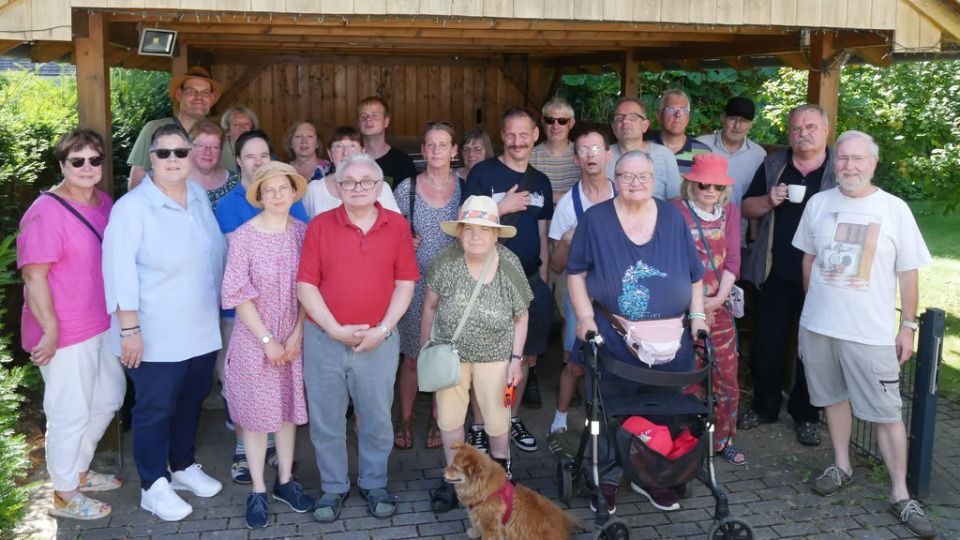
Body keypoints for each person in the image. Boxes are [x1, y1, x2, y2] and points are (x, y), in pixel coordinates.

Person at [794, 130, 935, 539]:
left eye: (858, 159)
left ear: (874, 163)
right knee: (833, 400)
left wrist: (907, 327)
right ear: (834, 162)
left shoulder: (894, 209)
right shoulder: (819, 204)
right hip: (819, 328)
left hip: (870, 333)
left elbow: (908, 272)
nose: (849, 166)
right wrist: (812, 309)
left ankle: (900, 493)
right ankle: (841, 465)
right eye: (842, 159)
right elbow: (809, 259)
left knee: (887, 414)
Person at [567, 150, 708, 514]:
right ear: (616, 178)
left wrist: (697, 315)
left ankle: (655, 477)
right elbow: (576, 273)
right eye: (628, 176)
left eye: (643, 176)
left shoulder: (673, 218)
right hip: (614, 338)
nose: (636, 183)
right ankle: (609, 477)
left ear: (654, 178)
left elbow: (695, 275)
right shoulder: (596, 220)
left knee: (665, 409)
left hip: (671, 341)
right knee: (611, 407)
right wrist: (584, 318)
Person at [102, 123, 226, 521]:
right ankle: (153, 484)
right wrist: (129, 329)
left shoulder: (198, 195)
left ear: (191, 156)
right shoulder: (132, 209)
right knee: (155, 408)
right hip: (154, 332)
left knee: (190, 400)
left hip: (200, 327)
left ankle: (182, 465)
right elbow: (119, 272)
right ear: (150, 159)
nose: (173, 160)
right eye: (163, 153)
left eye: (180, 152)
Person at [297, 153, 418, 523]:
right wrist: (334, 329)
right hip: (324, 341)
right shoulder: (319, 226)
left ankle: (374, 482)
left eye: (367, 181)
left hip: (379, 342)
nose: (358, 188)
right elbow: (305, 285)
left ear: (380, 186)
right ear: (339, 187)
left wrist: (382, 330)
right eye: (349, 182)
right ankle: (333, 487)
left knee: (377, 417)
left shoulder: (397, 225)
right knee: (326, 421)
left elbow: (405, 283)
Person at [17, 128, 126, 520]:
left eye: (94, 159)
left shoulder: (105, 204)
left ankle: (77, 471)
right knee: (69, 411)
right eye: (76, 160)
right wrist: (50, 330)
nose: (86, 167)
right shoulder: (45, 211)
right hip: (63, 332)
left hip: (101, 323)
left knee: (109, 397)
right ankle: (63, 494)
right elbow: (34, 276)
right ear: (62, 165)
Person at [423, 195, 532, 513]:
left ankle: (500, 478)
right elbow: (429, 306)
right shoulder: (445, 260)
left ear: (495, 233)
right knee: (449, 419)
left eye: (483, 229)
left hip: (495, 354)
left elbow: (522, 316)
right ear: (459, 231)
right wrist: (426, 348)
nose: (475, 235)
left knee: (497, 421)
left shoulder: (508, 264)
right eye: (468, 228)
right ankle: (454, 477)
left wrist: (516, 360)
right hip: (449, 354)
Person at [221, 162, 313, 528]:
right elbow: (237, 293)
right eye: (269, 190)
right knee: (258, 419)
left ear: (294, 193)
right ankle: (258, 488)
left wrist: (296, 334)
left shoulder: (304, 234)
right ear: (259, 195)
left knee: (288, 412)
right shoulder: (243, 236)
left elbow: (312, 288)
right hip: (255, 341)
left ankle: (285, 481)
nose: (277, 196)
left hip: (293, 338)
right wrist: (267, 341)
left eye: (283, 188)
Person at [740, 104, 837, 446]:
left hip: (824, 277)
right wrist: (768, 200)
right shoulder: (774, 165)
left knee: (813, 349)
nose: (803, 133)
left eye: (810, 126)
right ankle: (765, 407)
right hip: (775, 272)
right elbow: (745, 207)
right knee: (768, 344)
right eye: (796, 128)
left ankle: (806, 414)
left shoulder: (839, 169)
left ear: (826, 130)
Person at [462, 106, 554, 453]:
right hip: (487, 281)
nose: (517, 141)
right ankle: (480, 426)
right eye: (510, 134)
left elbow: (543, 235)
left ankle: (509, 418)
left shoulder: (541, 181)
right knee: (484, 357)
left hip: (529, 282)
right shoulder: (483, 174)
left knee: (525, 357)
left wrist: (542, 283)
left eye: (523, 134)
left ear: (535, 136)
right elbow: (464, 223)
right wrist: (502, 207)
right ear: (503, 136)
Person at [392, 122, 462, 451]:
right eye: (430, 144)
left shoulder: (465, 189)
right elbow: (387, 234)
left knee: (443, 356)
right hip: (413, 285)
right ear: (423, 149)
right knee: (410, 357)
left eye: (443, 144)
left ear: (454, 151)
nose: (436, 150)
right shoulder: (405, 189)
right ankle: (405, 418)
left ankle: (437, 416)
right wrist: (403, 239)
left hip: (451, 287)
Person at [672, 153, 745, 465]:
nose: (710, 190)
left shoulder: (730, 212)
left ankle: (722, 440)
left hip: (720, 305)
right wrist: (697, 306)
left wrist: (717, 300)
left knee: (726, 376)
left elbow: (733, 262)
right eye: (704, 184)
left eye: (717, 185)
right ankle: (687, 440)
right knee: (685, 376)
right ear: (691, 183)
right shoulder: (674, 211)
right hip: (680, 309)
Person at [546, 129, 615, 444]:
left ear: (607, 155)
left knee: (615, 362)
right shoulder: (568, 205)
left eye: (597, 148)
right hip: (581, 295)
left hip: (617, 295)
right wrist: (566, 240)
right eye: (584, 150)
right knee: (575, 363)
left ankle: (606, 421)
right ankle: (560, 417)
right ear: (576, 159)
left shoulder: (622, 195)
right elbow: (557, 265)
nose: (591, 155)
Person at [127, 67, 230, 188]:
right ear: (179, 95)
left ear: (211, 99)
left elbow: (229, 179)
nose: (199, 97)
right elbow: (136, 182)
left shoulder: (217, 134)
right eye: (191, 91)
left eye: (205, 92)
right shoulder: (153, 129)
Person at [302, 126, 400, 216]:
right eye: (339, 146)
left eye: (352, 145)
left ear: (363, 151)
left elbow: (395, 227)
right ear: (330, 153)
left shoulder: (381, 187)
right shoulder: (314, 189)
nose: (346, 153)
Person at [695, 97, 767, 206]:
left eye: (743, 121)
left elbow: (758, 197)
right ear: (723, 119)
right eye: (733, 119)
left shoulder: (759, 155)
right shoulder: (700, 146)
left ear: (751, 124)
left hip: (740, 222)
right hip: (700, 220)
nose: (737, 126)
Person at [605, 97, 681, 200]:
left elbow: (676, 200)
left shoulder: (665, 155)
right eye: (619, 118)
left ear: (645, 125)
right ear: (613, 127)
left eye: (633, 117)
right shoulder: (602, 156)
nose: (625, 121)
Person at [649, 89, 711, 177]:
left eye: (683, 110)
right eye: (671, 109)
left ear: (688, 117)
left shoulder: (703, 153)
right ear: (659, 116)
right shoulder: (645, 148)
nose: (678, 115)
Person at [357, 96, 417, 187]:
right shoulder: (349, 159)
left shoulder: (403, 162)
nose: (368, 119)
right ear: (358, 123)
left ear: (386, 122)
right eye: (363, 116)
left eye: (374, 115)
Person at [530, 97, 579, 203]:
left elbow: (589, 193)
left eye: (562, 121)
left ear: (571, 123)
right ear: (543, 122)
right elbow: (526, 194)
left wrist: (545, 195)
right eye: (550, 120)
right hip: (540, 218)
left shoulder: (582, 154)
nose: (555, 126)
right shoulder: (530, 156)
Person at [187, 120, 234, 209]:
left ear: (221, 150)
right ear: (189, 147)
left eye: (214, 147)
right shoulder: (176, 183)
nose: (207, 152)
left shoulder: (235, 182)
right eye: (201, 146)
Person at [219, 105, 260, 171]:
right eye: (236, 125)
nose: (242, 128)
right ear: (228, 128)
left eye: (246, 124)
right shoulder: (219, 148)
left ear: (252, 127)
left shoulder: (262, 146)